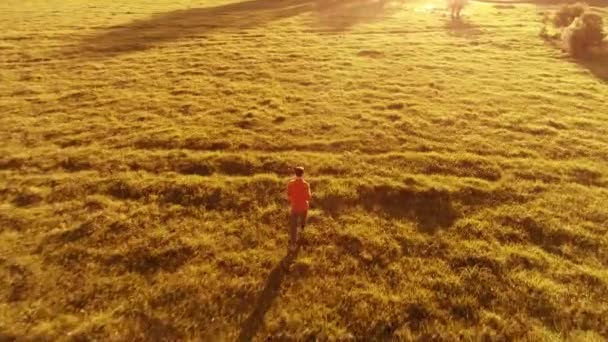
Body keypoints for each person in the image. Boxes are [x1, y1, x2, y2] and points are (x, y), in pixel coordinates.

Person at [287, 166, 311, 252]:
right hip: (304, 207)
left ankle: (293, 244)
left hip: (294, 207)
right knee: (302, 223)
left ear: (295, 173)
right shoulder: (306, 184)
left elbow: (289, 195)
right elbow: (308, 197)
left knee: (293, 226)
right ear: (303, 173)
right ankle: (302, 237)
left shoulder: (290, 183)